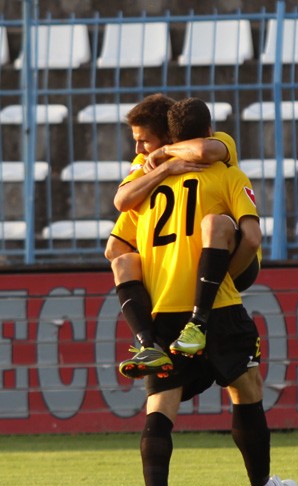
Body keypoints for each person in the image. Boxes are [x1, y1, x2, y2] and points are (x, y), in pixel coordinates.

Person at [129, 97, 296, 486]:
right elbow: (252, 238)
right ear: (209, 130)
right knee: (246, 390)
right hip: (215, 304)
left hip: (164, 306)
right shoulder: (225, 171)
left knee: (160, 407)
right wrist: (227, 277)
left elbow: (116, 246)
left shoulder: (146, 183)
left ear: (168, 137)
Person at [105, 94, 261, 378]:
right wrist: (165, 167)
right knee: (121, 258)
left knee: (215, 225)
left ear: (167, 137)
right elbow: (121, 203)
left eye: (144, 141)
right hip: (183, 279)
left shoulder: (220, 143)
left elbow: (202, 150)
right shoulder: (146, 164)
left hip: (235, 264)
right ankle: (148, 345)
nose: (138, 148)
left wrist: (166, 154)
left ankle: (200, 319)